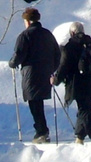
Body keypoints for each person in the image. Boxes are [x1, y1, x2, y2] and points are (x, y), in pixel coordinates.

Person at [8, 7, 59, 143]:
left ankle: (41, 131)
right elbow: (57, 54)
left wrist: (12, 63)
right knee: (38, 102)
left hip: (31, 74)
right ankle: (42, 130)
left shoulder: (25, 36)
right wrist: (51, 69)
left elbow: (19, 54)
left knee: (34, 103)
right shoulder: (48, 34)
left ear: (28, 21)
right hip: (46, 74)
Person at [52, 22, 91, 143]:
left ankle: (83, 137)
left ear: (72, 33)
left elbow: (63, 67)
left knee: (84, 109)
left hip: (78, 85)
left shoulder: (70, 47)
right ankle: (89, 136)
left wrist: (55, 80)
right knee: (86, 108)